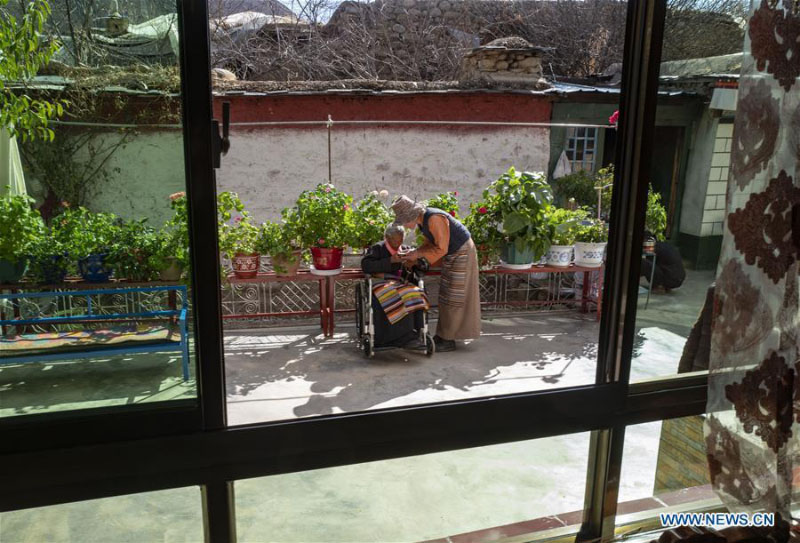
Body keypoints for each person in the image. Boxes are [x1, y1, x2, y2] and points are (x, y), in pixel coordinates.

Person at [391, 195, 481, 352]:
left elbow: (441, 248)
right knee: (446, 294)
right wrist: (415, 252)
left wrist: (418, 255)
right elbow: (429, 244)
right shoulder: (423, 221)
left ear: (411, 216)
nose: (404, 226)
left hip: (462, 253)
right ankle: (444, 334)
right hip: (454, 253)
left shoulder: (433, 218)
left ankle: (448, 340)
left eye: (404, 222)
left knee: (454, 295)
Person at [360, 225, 427, 350]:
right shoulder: (377, 248)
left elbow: (424, 267)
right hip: (382, 284)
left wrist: (415, 262)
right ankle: (395, 338)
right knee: (393, 295)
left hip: (403, 284)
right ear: (387, 238)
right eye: (395, 241)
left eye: (401, 240)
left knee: (414, 293)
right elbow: (366, 266)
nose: (398, 243)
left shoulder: (407, 249)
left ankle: (414, 334)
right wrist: (390, 260)